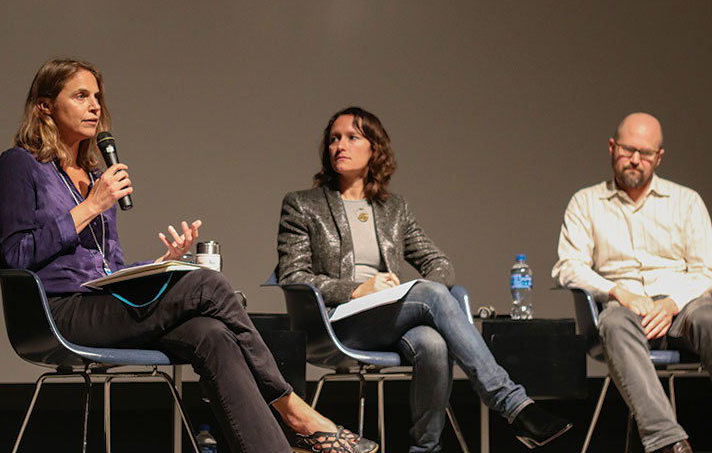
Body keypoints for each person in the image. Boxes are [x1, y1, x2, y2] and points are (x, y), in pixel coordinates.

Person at [0, 58, 378, 453]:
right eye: (81, 96)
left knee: (212, 334)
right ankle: (293, 409)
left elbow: (111, 268)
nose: (95, 107)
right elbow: (16, 255)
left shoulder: (94, 176)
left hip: (104, 306)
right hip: (59, 311)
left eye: (98, 97)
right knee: (205, 283)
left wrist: (160, 264)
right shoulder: (20, 165)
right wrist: (90, 206)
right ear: (45, 106)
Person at [276, 106, 572, 452]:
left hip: (389, 317)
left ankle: (425, 449)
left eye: (352, 138)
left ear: (374, 149)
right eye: (334, 139)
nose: (339, 145)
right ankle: (514, 406)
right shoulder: (302, 205)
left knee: (432, 343)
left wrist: (405, 293)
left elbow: (439, 263)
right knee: (429, 295)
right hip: (338, 322)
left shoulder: (394, 209)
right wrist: (357, 289)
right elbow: (294, 276)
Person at [552, 112, 712, 453]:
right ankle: (669, 443)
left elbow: (705, 271)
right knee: (611, 319)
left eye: (646, 153)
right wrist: (617, 292)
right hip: (624, 310)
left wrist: (670, 304)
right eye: (627, 150)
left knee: (708, 317)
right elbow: (568, 267)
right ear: (612, 147)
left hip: (681, 307)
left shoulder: (686, 202)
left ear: (659, 157)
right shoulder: (586, 202)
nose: (635, 160)